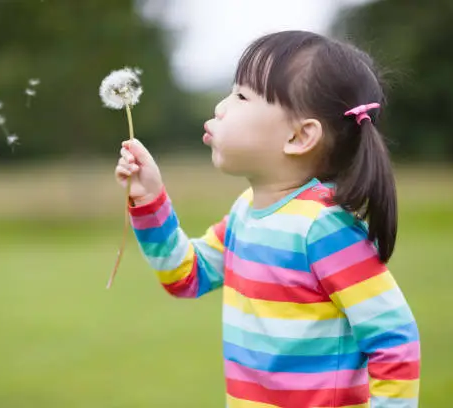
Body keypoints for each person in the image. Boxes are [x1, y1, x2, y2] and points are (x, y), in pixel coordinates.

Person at [114, 30, 420, 408]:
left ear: (299, 136)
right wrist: (148, 198)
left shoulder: (324, 229)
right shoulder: (246, 213)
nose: (222, 107)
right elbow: (185, 275)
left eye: (242, 96)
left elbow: (394, 340)